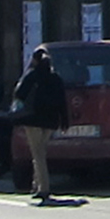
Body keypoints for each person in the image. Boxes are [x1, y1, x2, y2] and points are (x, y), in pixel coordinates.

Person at [12, 47, 69, 203]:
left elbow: (19, 94)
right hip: (51, 121)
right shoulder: (56, 78)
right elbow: (62, 102)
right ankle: (36, 184)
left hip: (33, 120)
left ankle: (43, 188)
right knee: (40, 151)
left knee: (37, 154)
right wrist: (64, 121)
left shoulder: (32, 75)